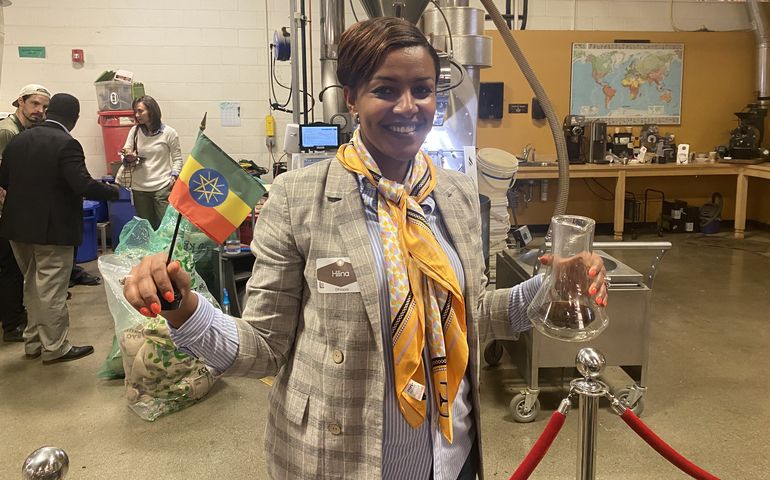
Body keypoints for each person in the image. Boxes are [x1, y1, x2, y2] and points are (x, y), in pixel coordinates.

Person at [122, 18, 608, 479]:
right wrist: (184, 308)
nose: (408, 106)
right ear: (352, 99)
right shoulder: (298, 199)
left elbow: (473, 315)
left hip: (450, 454)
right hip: (343, 458)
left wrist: (550, 287)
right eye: (386, 89)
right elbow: (264, 349)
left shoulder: (456, 194)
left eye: (422, 90)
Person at [0, 93, 119, 363]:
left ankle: (33, 344)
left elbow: (4, 179)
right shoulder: (67, 143)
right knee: (51, 288)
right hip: (51, 230)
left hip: (17, 228)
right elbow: (82, 184)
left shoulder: (19, 139)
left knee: (31, 284)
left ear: (49, 111)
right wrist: (112, 192)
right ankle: (55, 347)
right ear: (74, 119)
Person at [0, 84, 51, 343]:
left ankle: (18, 316)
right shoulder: (8, 132)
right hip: (5, 214)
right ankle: (11, 325)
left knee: (19, 269)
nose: (39, 111)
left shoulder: (24, 131)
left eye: (43, 107)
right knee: (9, 268)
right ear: (20, 101)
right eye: (34, 104)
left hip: (16, 212)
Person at [117, 95, 183, 230]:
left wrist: (174, 175)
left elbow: (177, 159)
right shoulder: (134, 131)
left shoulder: (169, 133)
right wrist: (128, 157)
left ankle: (167, 251)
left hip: (162, 186)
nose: (137, 115)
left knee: (167, 228)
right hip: (139, 188)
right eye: (135, 111)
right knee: (147, 229)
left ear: (152, 111)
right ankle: (152, 253)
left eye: (140, 111)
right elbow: (125, 153)